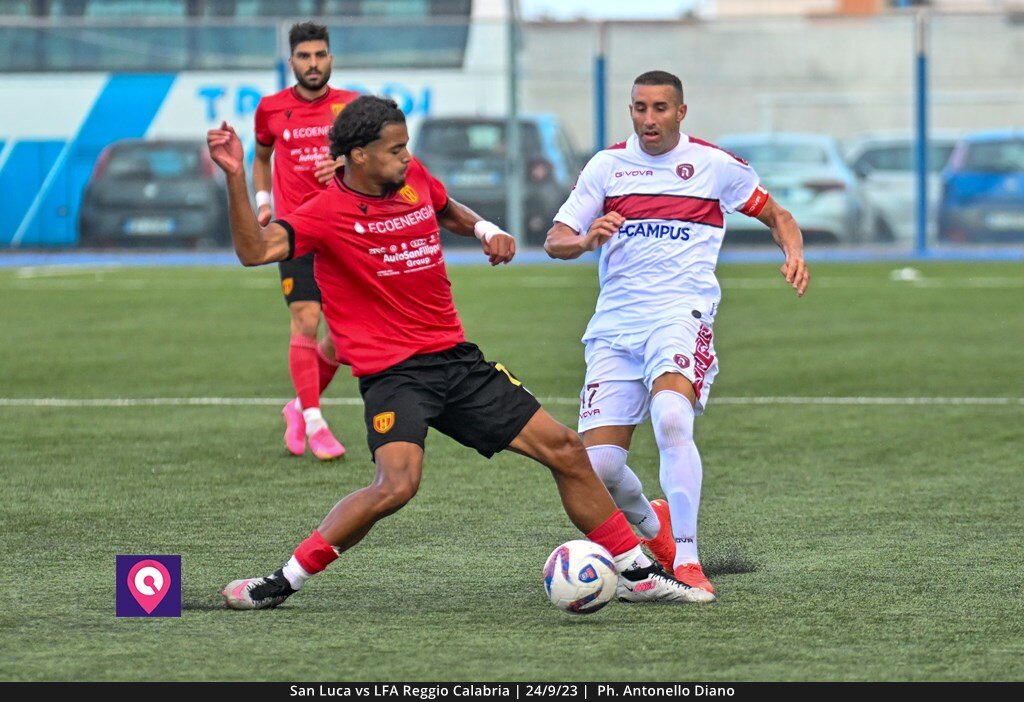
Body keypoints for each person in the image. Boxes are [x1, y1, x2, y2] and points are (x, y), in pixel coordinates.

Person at [206, 95, 715, 610]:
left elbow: (443, 206)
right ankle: (280, 582)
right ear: (358, 156)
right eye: (395, 149)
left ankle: (639, 574)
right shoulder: (325, 213)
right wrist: (234, 177)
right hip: (394, 376)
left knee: (565, 448)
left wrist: (483, 228)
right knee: (396, 485)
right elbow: (254, 251)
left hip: (457, 361)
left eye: (407, 146)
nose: (407, 156)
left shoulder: (412, 178)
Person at [544, 70, 810, 599]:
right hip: (615, 325)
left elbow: (776, 213)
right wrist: (585, 240)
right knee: (599, 465)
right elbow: (556, 239)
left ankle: (688, 558)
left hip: (680, 314)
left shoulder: (713, 165)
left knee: (671, 416)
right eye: (639, 108)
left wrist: (793, 250)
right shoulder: (607, 166)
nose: (648, 119)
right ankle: (653, 528)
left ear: (681, 112)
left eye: (660, 108)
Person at [252, 21, 358, 460]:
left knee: (344, 338)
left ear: (330, 58)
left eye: (319, 55)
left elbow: (368, 165)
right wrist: (262, 202)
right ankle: (315, 420)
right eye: (303, 56)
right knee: (305, 316)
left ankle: (297, 406)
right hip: (295, 230)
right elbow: (260, 157)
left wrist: (342, 169)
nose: (312, 64)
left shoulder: (352, 107)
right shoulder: (271, 109)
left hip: (347, 230)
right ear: (291, 61)